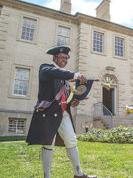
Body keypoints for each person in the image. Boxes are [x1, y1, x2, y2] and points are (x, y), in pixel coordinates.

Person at [26, 46, 96, 178]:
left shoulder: (63, 77)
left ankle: (78, 174)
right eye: (62, 57)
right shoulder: (45, 68)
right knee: (48, 144)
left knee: (72, 140)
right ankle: (46, 176)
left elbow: (65, 96)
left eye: (66, 58)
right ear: (54, 58)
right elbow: (54, 73)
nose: (65, 60)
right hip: (49, 114)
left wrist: (75, 100)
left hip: (63, 114)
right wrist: (75, 75)